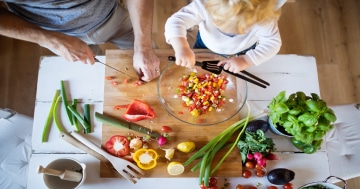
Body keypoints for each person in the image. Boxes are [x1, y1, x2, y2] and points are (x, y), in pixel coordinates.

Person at [0, 0, 160, 82]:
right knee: (93, 78)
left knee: (150, 63)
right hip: (51, 33)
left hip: (112, 17)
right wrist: (52, 40)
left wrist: (143, 45)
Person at [164, 0, 286, 74]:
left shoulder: (263, 18)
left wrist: (246, 60)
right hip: (206, 44)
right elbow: (176, 21)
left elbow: (272, 42)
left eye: (241, 29)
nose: (229, 32)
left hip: (244, 48)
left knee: (238, 68)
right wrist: (182, 48)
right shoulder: (206, 4)